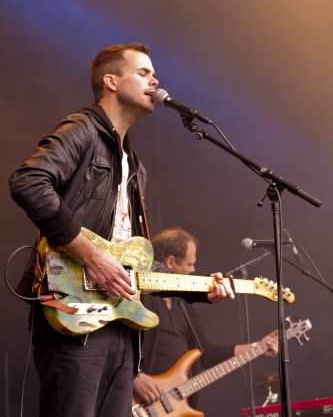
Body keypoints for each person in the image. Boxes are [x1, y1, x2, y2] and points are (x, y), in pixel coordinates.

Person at [9, 43, 235, 417]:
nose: (155, 79)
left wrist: (200, 290)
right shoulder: (82, 128)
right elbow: (28, 182)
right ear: (111, 81)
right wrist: (92, 257)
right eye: (144, 73)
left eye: (154, 74)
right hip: (75, 315)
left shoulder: (135, 166)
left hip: (122, 328)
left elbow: (133, 260)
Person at [133, 227, 279, 410]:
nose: (194, 269)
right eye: (189, 264)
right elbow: (115, 345)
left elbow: (205, 354)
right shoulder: (141, 299)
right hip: (134, 402)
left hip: (172, 408)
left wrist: (258, 346)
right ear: (170, 262)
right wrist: (133, 376)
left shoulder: (184, 306)